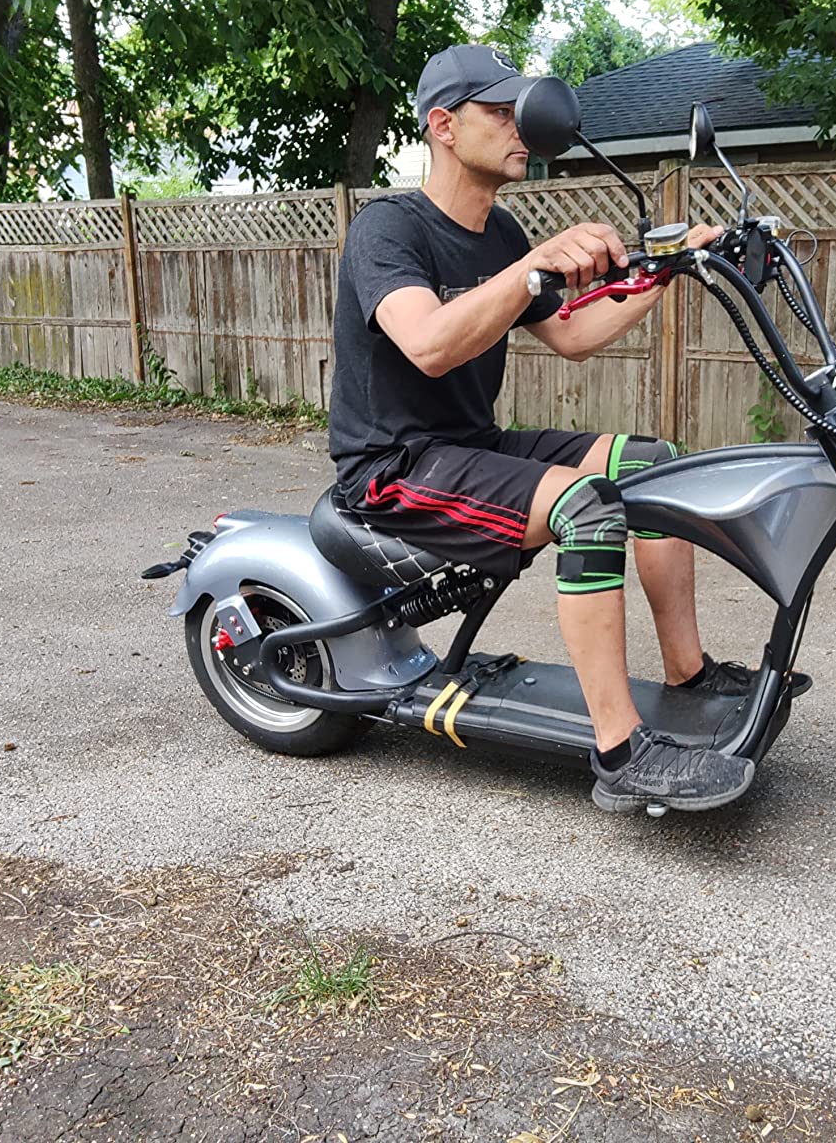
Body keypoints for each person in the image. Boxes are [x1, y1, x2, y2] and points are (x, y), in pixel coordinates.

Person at [329, 45, 802, 813]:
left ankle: (687, 674)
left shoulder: (501, 232)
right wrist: (533, 267)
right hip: (395, 468)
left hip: (469, 446)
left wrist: (672, 266)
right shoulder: (388, 228)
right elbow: (428, 343)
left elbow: (575, 335)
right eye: (501, 111)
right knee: (590, 506)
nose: (521, 127)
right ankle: (620, 752)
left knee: (654, 462)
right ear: (443, 126)